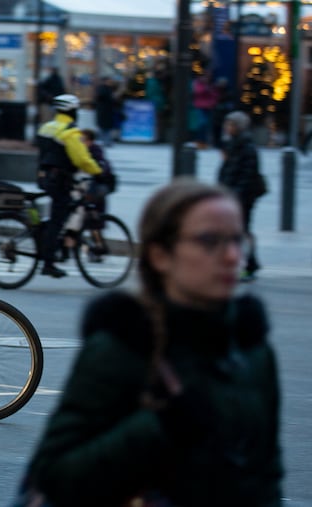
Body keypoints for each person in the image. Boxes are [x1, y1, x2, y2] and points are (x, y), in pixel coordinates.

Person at [20, 178, 283, 507]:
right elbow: (56, 476)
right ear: (160, 255)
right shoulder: (121, 347)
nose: (232, 256)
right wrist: (163, 425)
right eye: (210, 241)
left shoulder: (253, 350)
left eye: (237, 240)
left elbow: (267, 476)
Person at [35, 94, 102, 278]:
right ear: (72, 111)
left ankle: (51, 243)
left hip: (45, 177)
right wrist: (98, 172)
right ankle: (48, 262)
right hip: (61, 181)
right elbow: (81, 159)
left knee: (58, 215)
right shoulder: (70, 132)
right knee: (59, 218)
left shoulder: (47, 128)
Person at [218, 110, 264, 282]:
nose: (226, 127)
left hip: (243, 197)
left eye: (229, 124)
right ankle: (245, 264)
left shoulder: (246, 146)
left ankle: (250, 266)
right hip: (231, 194)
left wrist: (236, 194)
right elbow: (227, 170)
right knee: (236, 231)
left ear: (237, 127)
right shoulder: (233, 143)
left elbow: (247, 174)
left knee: (242, 231)